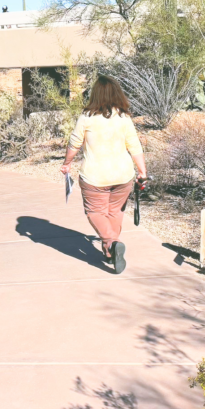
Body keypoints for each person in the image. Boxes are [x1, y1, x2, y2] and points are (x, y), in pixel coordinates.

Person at [61, 75, 147, 274]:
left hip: (94, 177)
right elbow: (134, 145)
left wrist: (67, 163)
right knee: (115, 212)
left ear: (95, 95)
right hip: (123, 175)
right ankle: (109, 253)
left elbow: (74, 143)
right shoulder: (124, 118)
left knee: (95, 212)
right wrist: (142, 170)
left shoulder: (87, 117)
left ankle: (112, 243)